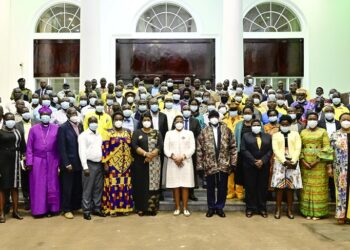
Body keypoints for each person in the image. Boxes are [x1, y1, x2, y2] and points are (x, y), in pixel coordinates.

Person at [197, 110, 237, 218]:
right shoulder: (204, 131)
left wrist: (233, 163)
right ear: (209, 119)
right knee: (210, 187)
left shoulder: (227, 130)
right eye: (212, 117)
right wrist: (200, 165)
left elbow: (233, 147)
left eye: (215, 116)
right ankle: (211, 207)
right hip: (209, 164)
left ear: (218, 118)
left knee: (222, 187)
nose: (214, 118)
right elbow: (199, 149)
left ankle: (220, 207)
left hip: (224, 164)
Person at [26, 107, 60, 217]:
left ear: (50, 116)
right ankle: (39, 210)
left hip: (52, 159)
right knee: (39, 185)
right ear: (40, 117)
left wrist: (59, 163)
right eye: (43, 115)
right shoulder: (33, 129)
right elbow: (29, 147)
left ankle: (52, 209)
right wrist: (29, 163)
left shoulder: (56, 128)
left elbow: (59, 147)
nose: (45, 117)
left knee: (52, 184)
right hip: (37, 160)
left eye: (47, 115)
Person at [300, 112, 333, 220]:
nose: (312, 120)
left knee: (318, 188)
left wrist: (316, 161)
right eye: (310, 119)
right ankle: (307, 212)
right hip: (305, 164)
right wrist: (303, 160)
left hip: (319, 164)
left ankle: (318, 213)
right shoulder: (303, 132)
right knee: (307, 188)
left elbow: (327, 147)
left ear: (317, 120)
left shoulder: (323, 132)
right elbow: (299, 147)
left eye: (314, 118)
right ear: (307, 120)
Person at [101, 111, 134, 216]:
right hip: (112, 164)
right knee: (113, 185)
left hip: (126, 164)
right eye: (116, 119)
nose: (118, 121)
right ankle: (113, 208)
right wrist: (105, 163)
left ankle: (125, 208)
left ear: (123, 120)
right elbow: (105, 148)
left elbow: (131, 147)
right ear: (113, 120)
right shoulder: (108, 132)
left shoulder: (128, 132)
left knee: (125, 185)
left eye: (120, 119)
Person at [131, 112, 163, 216]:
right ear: (141, 121)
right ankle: (141, 208)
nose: (146, 122)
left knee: (153, 186)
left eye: (148, 120)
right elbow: (134, 146)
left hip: (154, 164)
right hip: (140, 163)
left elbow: (160, 146)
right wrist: (145, 154)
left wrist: (151, 156)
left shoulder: (157, 132)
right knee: (141, 185)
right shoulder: (137, 132)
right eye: (144, 120)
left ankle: (152, 208)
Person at [271, 115, 302, 219]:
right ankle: (278, 209)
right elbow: (275, 149)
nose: (285, 126)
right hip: (280, 163)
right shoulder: (276, 135)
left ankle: (289, 209)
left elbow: (298, 148)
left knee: (290, 188)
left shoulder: (296, 134)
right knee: (279, 188)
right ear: (280, 124)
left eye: (287, 124)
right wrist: (284, 161)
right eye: (283, 124)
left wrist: (293, 160)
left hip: (293, 162)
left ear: (290, 125)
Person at [164, 115, 196, 216]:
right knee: (175, 185)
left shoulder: (189, 133)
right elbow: (166, 148)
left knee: (185, 185)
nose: (179, 123)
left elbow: (192, 148)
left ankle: (185, 208)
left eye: (181, 121)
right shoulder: (169, 133)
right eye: (177, 121)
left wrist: (182, 157)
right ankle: (177, 207)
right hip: (173, 163)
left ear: (183, 122)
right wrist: (174, 157)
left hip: (185, 162)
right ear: (174, 123)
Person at [241, 119, 272, 218]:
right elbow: (243, 150)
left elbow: (270, 150)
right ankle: (250, 208)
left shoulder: (267, 136)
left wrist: (262, 161)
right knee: (250, 187)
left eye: (258, 125)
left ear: (261, 126)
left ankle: (262, 208)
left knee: (262, 188)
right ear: (251, 127)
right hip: (250, 166)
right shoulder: (246, 136)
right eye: (254, 125)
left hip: (264, 166)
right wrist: (254, 161)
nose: (256, 126)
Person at [0, 113, 26, 223]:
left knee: (14, 187)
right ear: (4, 120)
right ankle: (1, 213)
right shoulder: (0, 133)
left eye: (12, 119)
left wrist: (24, 158)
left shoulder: (18, 131)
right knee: (2, 187)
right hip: (2, 161)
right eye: (8, 119)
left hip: (15, 161)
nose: (11, 121)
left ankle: (15, 211)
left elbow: (23, 146)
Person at [58, 108, 83, 219]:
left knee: (77, 186)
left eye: (75, 114)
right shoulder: (63, 128)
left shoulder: (80, 126)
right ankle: (66, 209)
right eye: (71, 114)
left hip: (79, 161)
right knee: (67, 187)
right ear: (67, 115)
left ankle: (75, 206)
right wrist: (66, 163)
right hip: (69, 163)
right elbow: (61, 147)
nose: (74, 115)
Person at [78, 116, 105, 220]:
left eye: (95, 121)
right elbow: (82, 151)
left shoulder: (99, 134)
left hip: (99, 164)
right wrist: (85, 166)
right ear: (88, 123)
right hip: (89, 164)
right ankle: (86, 210)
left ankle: (97, 208)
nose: (94, 123)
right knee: (87, 188)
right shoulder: (83, 135)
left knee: (98, 188)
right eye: (92, 122)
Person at [330, 113, 350, 224]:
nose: (346, 121)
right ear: (340, 120)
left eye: (348, 119)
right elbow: (330, 152)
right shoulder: (335, 134)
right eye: (344, 119)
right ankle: (341, 215)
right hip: (340, 167)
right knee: (341, 191)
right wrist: (329, 166)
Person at [222, 102, 244, 200]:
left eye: (235, 109)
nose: (233, 111)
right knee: (229, 171)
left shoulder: (242, 121)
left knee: (239, 171)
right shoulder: (224, 121)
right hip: (227, 149)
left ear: (238, 110)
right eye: (231, 110)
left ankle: (239, 191)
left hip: (239, 148)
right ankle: (230, 191)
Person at [15, 106, 32, 210]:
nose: (26, 113)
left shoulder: (36, 123)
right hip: (24, 154)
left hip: (35, 154)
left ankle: (34, 197)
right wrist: (22, 154)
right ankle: (26, 199)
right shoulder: (17, 125)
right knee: (25, 177)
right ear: (21, 115)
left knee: (35, 176)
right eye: (24, 112)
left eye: (27, 112)